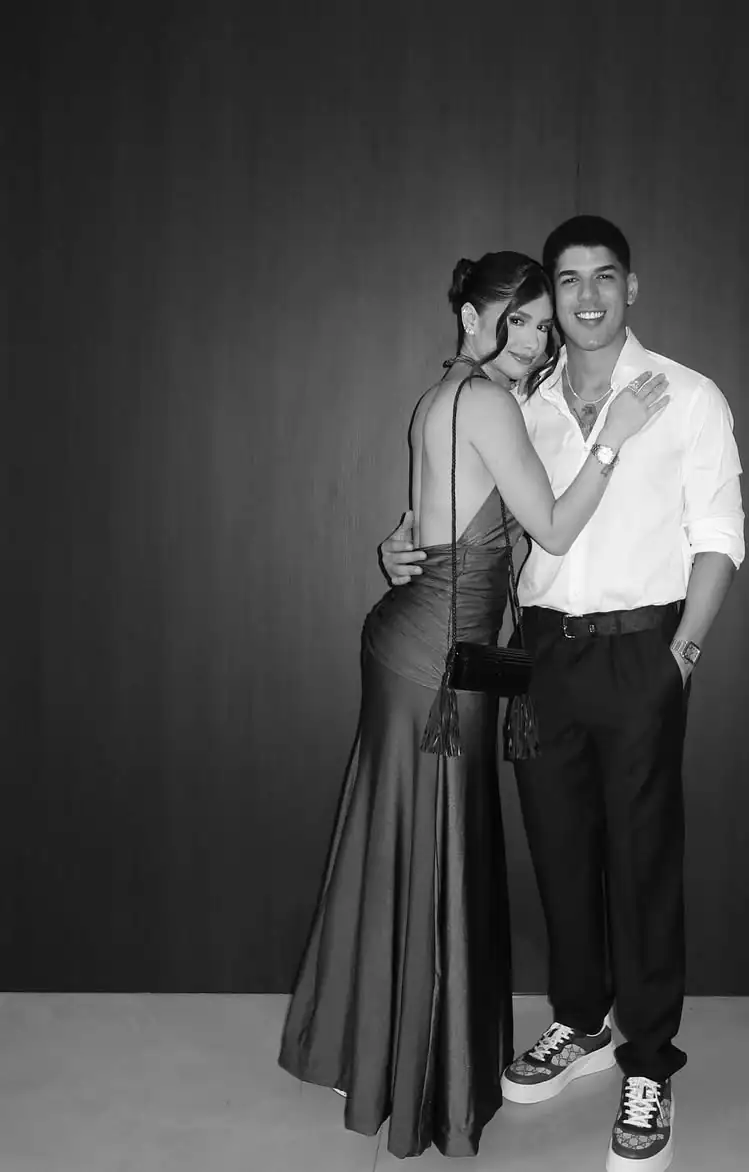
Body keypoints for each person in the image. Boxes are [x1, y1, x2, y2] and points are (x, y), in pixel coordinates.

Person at [278, 250, 668, 1160]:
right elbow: (554, 530)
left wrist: (402, 546)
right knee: (432, 848)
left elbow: (438, 526)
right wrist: (615, 435)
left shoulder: (445, 396)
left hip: (430, 647)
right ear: (469, 317)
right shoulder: (487, 403)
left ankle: (373, 1054)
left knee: (405, 847)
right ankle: (413, 1075)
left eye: (540, 323)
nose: (532, 338)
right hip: (438, 664)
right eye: (514, 318)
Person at [380, 216, 745, 1172]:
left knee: (642, 860)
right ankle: (581, 1023)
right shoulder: (520, 400)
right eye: (568, 281)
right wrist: (404, 545)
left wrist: (681, 655)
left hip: (640, 652)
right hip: (540, 656)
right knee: (558, 849)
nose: (585, 297)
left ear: (632, 287)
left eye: (604, 277)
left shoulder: (687, 397)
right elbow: (473, 510)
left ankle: (648, 1061)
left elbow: (719, 538)